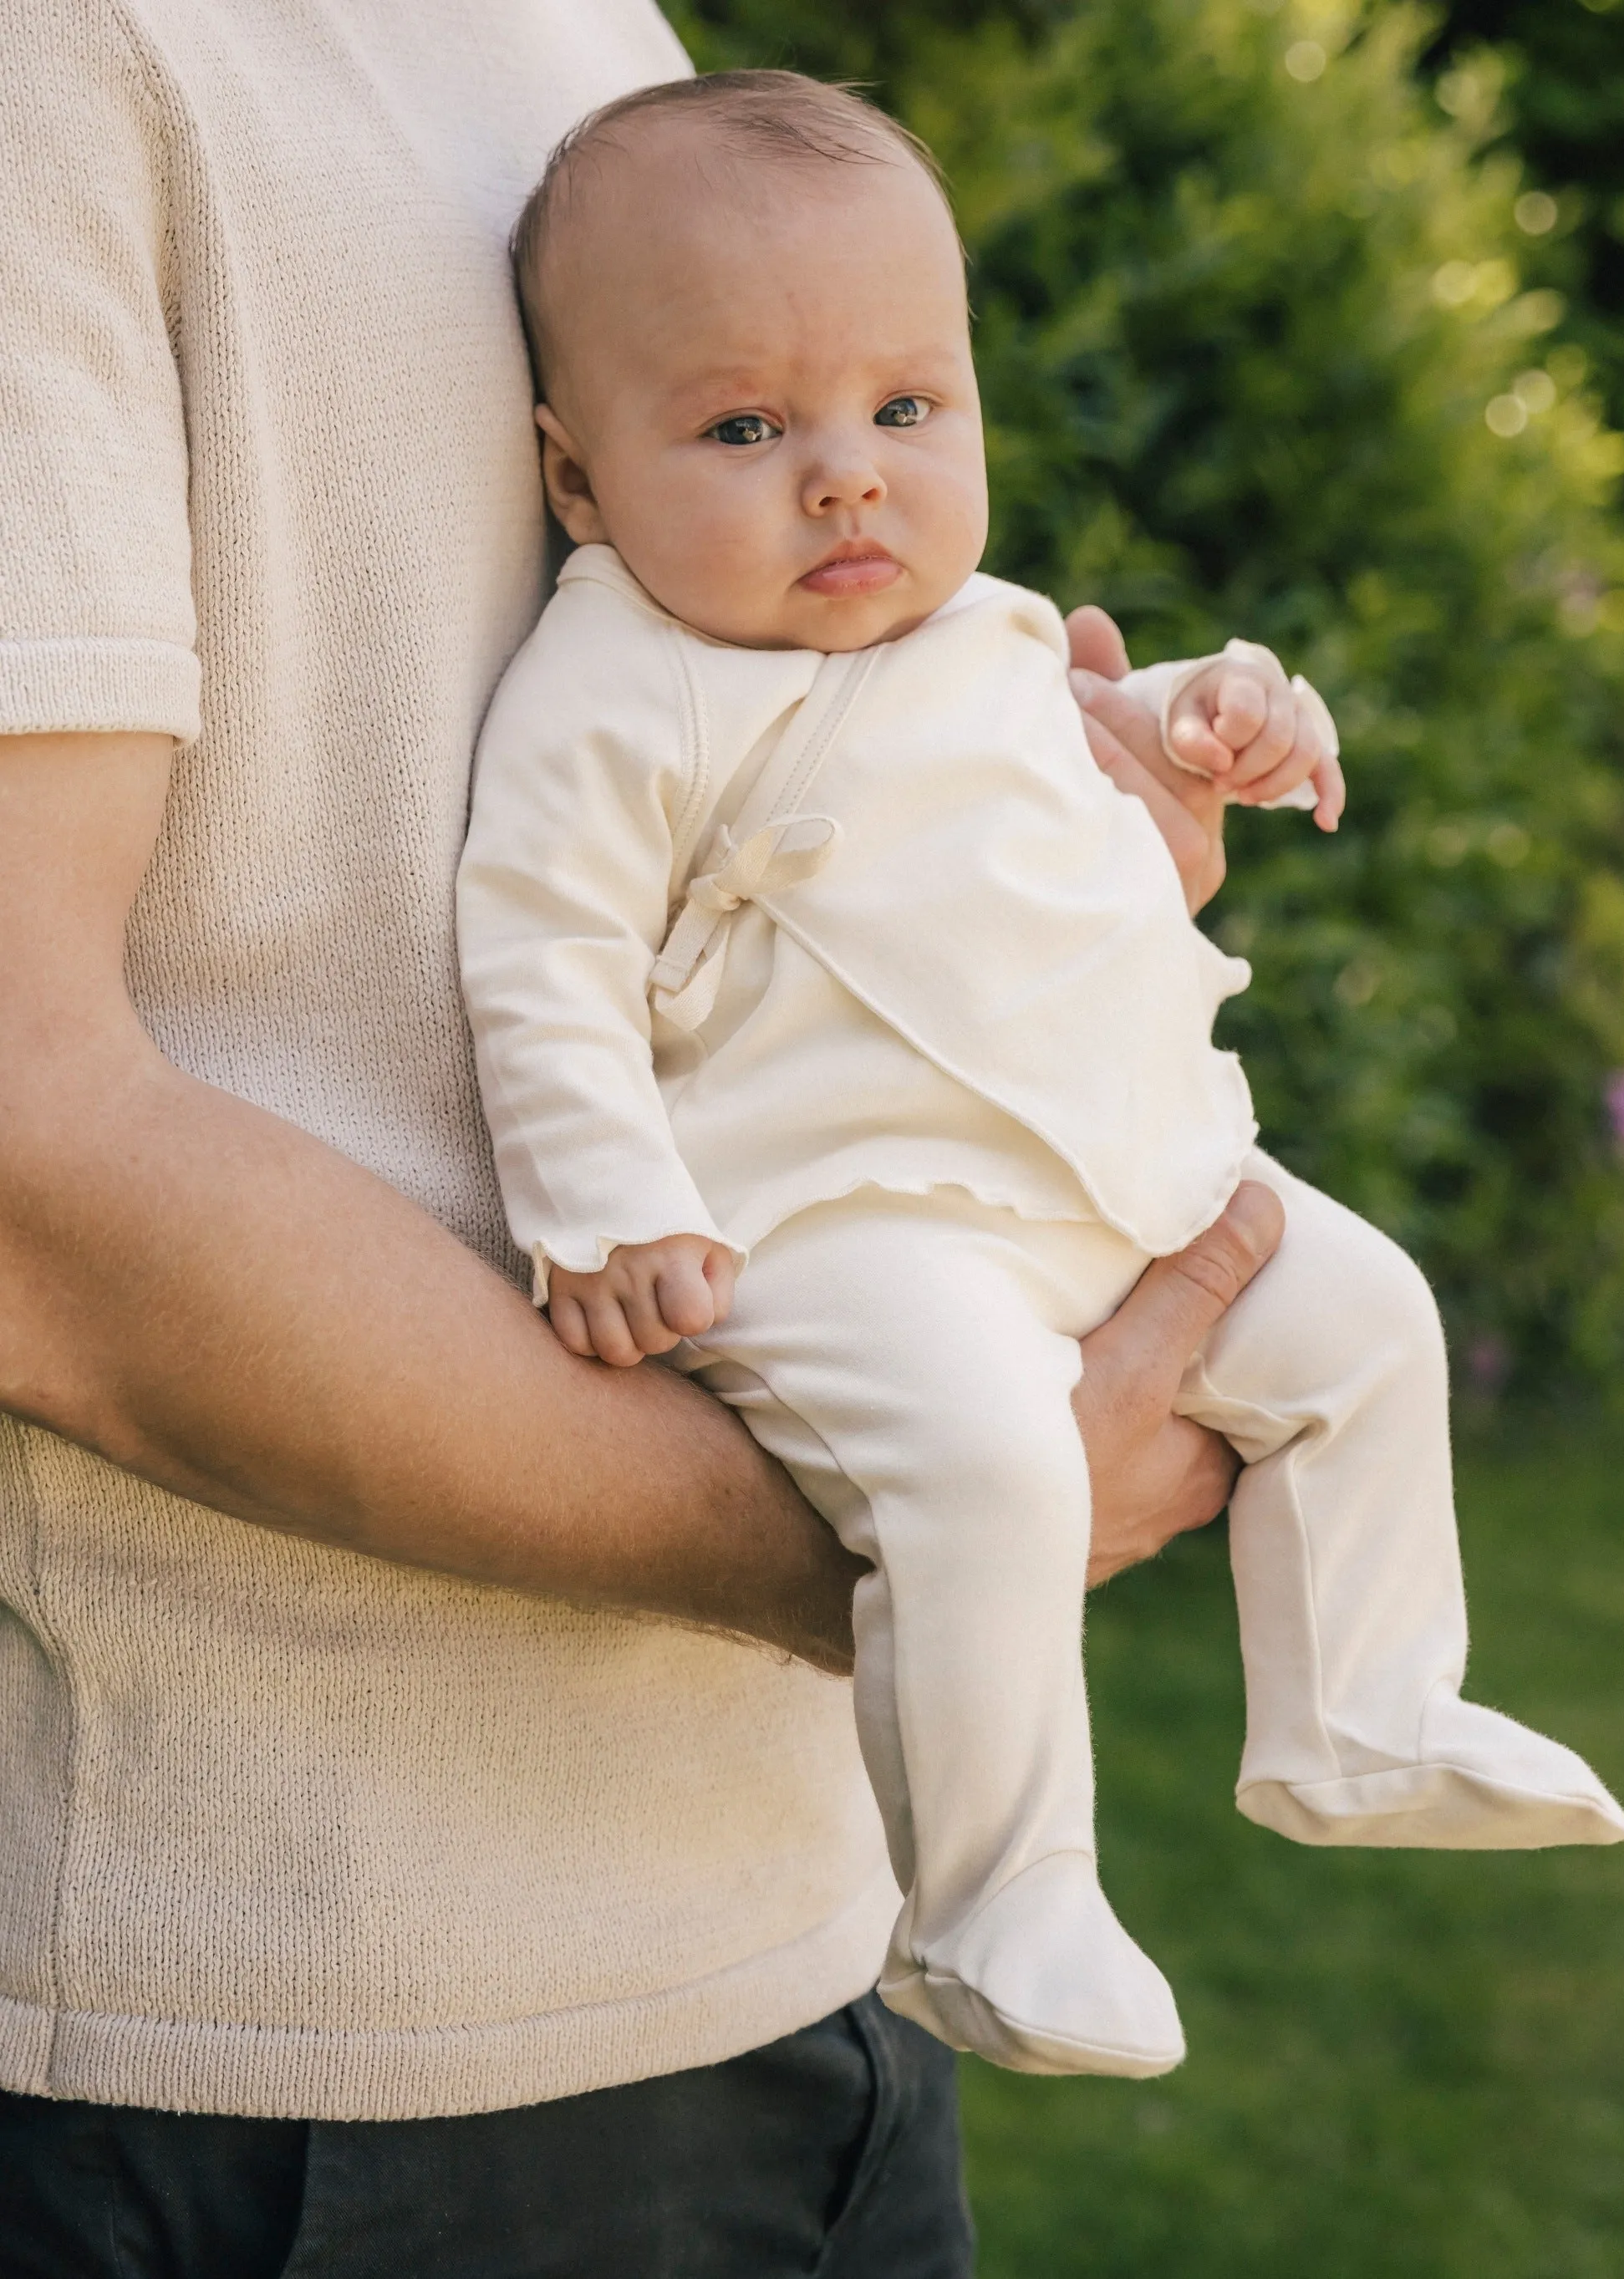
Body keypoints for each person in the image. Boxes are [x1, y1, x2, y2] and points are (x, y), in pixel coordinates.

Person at [0, 7, 1312, 2272]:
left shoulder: (578, 25)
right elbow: (26, 1159)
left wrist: (1048, 840)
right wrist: (907, 1529)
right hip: (321, 2052)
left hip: (798, 1928)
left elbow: (667, 805)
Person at [458, 72, 1624, 2088]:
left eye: (905, 411)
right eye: (746, 429)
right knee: (990, 1466)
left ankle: (1363, 1710)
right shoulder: (627, 676)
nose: (846, 482)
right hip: (840, 1223)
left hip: (1100, 1176)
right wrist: (602, 1200)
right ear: (576, 481)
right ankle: (1001, 1898)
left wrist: (1213, 718)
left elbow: (1090, 728)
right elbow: (536, 945)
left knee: (1364, 1320)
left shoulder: (971, 619)